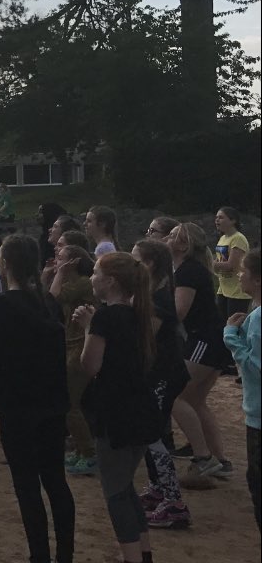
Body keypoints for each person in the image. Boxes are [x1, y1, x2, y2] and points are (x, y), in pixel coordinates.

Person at [0, 235, 74, 563]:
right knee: (55, 480)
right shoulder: (46, 304)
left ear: (4, 264)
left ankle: (40, 556)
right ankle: (64, 555)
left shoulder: (1, 308)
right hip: (51, 404)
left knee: (27, 486)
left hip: (19, 407)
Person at [72, 252, 160, 563]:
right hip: (141, 409)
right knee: (126, 487)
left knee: (115, 493)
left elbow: (90, 364)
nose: (91, 277)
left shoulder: (106, 317)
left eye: (96, 272)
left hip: (116, 414)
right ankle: (143, 552)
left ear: (110, 281)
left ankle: (133, 557)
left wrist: (87, 326)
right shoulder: (139, 313)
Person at [131, 239, 192, 529]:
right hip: (158, 373)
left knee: (154, 435)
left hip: (163, 375)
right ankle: (158, 487)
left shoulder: (157, 300)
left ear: (149, 264)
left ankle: (174, 501)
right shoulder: (150, 292)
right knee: (148, 431)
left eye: (135, 258)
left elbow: (146, 340)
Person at [166, 223, 232, 478]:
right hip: (211, 340)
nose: (167, 238)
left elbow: (179, 312)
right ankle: (221, 461)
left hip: (203, 341)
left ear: (184, 245)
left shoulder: (187, 272)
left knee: (175, 395)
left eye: (173, 236)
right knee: (195, 401)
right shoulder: (188, 269)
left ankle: (203, 457)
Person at [44, 244, 98, 476]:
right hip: (70, 344)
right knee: (72, 402)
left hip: (79, 346)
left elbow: (52, 298)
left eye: (61, 257)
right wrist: (49, 275)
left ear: (73, 262)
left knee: (69, 404)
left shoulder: (83, 283)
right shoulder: (71, 281)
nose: (56, 260)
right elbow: (43, 299)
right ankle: (81, 448)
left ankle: (89, 453)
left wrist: (58, 274)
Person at [223, 248, 261, 529]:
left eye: (243, 272)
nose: (239, 275)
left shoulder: (258, 319)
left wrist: (231, 337)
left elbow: (255, 367)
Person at [214, 207, 251, 320]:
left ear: (233, 220)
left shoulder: (238, 238)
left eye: (221, 217)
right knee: (220, 324)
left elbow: (231, 265)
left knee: (234, 326)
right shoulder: (222, 238)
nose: (217, 220)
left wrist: (209, 263)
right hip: (223, 288)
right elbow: (219, 262)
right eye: (216, 217)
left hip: (237, 291)